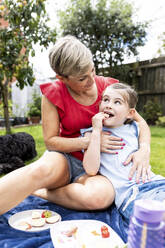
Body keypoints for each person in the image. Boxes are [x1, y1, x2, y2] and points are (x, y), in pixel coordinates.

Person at [0, 35, 151, 215]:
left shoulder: (111, 90)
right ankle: (39, 185)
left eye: (92, 71)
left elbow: (140, 122)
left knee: (99, 198)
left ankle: (42, 193)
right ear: (62, 78)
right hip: (67, 158)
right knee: (39, 170)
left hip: (101, 169)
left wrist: (144, 149)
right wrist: (89, 142)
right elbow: (51, 142)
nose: (91, 80)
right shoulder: (53, 94)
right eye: (82, 78)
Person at [81, 82, 165, 225]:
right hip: (131, 195)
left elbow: (145, 129)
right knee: (158, 218)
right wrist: (96, 131)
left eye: (117, 102)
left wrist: (144, 148)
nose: (108, 105)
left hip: (156, 183)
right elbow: (90, 169)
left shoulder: (134, 128)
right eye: (105, 100)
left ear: (130, 113)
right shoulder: (92, 134)